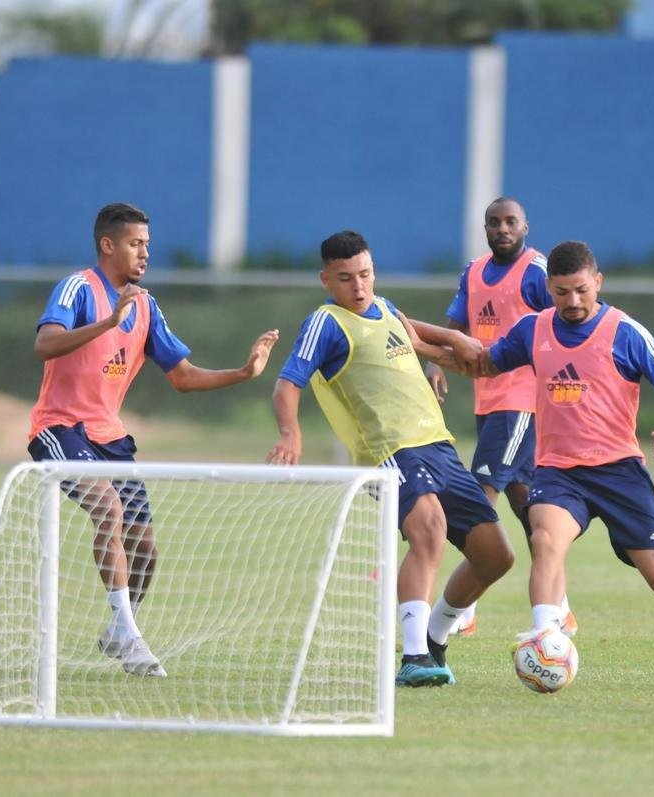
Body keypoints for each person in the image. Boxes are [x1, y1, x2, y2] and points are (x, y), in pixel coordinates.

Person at [28, 202, 280, 678]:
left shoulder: (144, 304)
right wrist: (104, 324)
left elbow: (183, 377)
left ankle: (120, 628)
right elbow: (45, 344)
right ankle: (129, 633)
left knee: (145, 548)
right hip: (60, 428)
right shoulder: (79, 287)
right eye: (134, 243)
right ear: (108, 245)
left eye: (147, 244)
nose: (145, 253)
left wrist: (245, 373)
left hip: (111, 436)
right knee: (108, 506)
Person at [478, 240, 654, 693]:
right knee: (545, 539)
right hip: (558, 471)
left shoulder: (625, 332)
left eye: (581, 290)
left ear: (597, 283)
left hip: (619, 472)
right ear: (549, 288)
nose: (572, 301)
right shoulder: (533, 329)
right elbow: (483, 362)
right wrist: (421, 342)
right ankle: (546, 637)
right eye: (561, 292)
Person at [266, 230, 515, 687]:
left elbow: (413, 332)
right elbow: (287, 383)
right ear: (326, 280)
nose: (358, 287)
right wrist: (291, 435)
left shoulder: (385, 309)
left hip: (439, 446)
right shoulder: (327, 323)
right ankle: (414, 656)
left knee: (496, 556)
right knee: (430, 529)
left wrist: (454, 342)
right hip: (390, 451)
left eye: (364, 274)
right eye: (345, 279)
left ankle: (435, 637)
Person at [425, 197, 576, 639]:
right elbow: (457, 324)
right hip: (487, 400)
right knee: (526, 504)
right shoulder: (473, 271)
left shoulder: (535, 271)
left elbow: (561, 324)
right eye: (494, 222)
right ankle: (561, 606)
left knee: (479, 492)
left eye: (511, 221)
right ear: (485, 227)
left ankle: (464, 604)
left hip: (523, 400)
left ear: (526, 225)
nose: (502, 228)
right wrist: (436, 364)